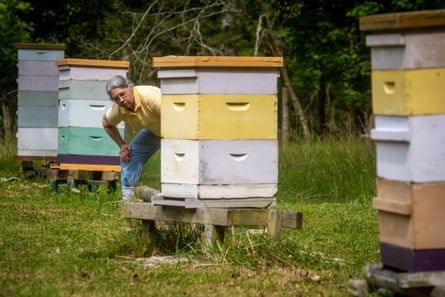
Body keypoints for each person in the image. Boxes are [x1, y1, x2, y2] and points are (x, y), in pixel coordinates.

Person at [102, 75, 161, 200]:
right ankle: (128, 201)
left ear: (131, 88)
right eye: (116, 98)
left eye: (123, 94)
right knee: (129, 156)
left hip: (177, 132)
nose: (121, 100)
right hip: (154, 131)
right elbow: (107, 123)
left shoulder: (151, 97)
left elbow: (177, 118)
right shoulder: (119, 109)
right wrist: (122, 145)